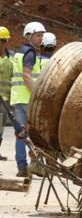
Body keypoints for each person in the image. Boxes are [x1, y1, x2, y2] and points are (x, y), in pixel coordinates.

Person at [11, 22, 45, 177]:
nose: (41, 38)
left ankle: (22, 167)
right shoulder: (30, 53)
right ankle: (37, 165)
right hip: (28, 100)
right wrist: (36, 94)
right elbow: (26, 76)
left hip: (18, 98)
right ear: (29, 36)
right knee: (37, 134)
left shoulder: (19, 52)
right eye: (38, 35)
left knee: (20, 134)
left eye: (42, 35)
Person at [0, 26, 12, 161]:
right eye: (2, 40)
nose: (4, 43)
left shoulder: (10, 59)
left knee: (0, 127)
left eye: (5, 40)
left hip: (5, 99)